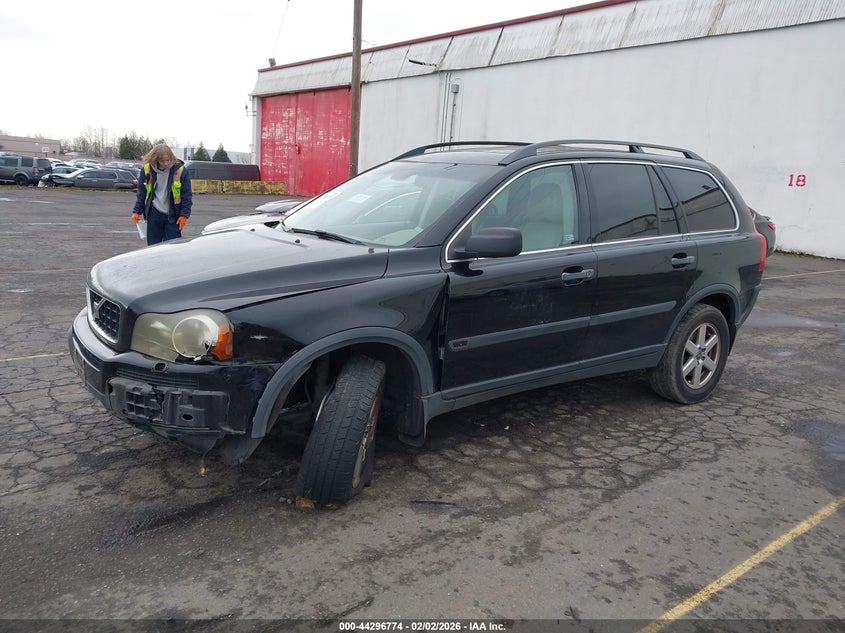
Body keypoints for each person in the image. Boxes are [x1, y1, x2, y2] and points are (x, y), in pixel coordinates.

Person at [132, 144, 192, 245]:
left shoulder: (180, 171)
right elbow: (141, 193)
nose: (166, 163)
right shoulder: (147, 170)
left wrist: (184, 215)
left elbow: (187, 195)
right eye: (162, 161)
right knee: (153, 248)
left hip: (173, 215)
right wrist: (137, 211)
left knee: (173, 248)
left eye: (168, 160)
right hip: (154, 214)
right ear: (155, 159)